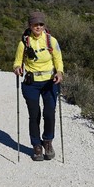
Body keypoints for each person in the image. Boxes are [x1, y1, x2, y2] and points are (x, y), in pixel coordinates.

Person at [13, 11, 64, 161]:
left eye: (41, 24)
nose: (38, 27)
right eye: (35, 24)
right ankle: (36, 145)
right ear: (30, 25)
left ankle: (47, 141)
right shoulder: (24, 43)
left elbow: (58, 60)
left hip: (50, 83)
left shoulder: (51, 41)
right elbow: (17, 61)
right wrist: (17, 68)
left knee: (49, 113)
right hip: (31, 84)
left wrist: (59, 72)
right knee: (34, 115)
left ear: (44, 25)